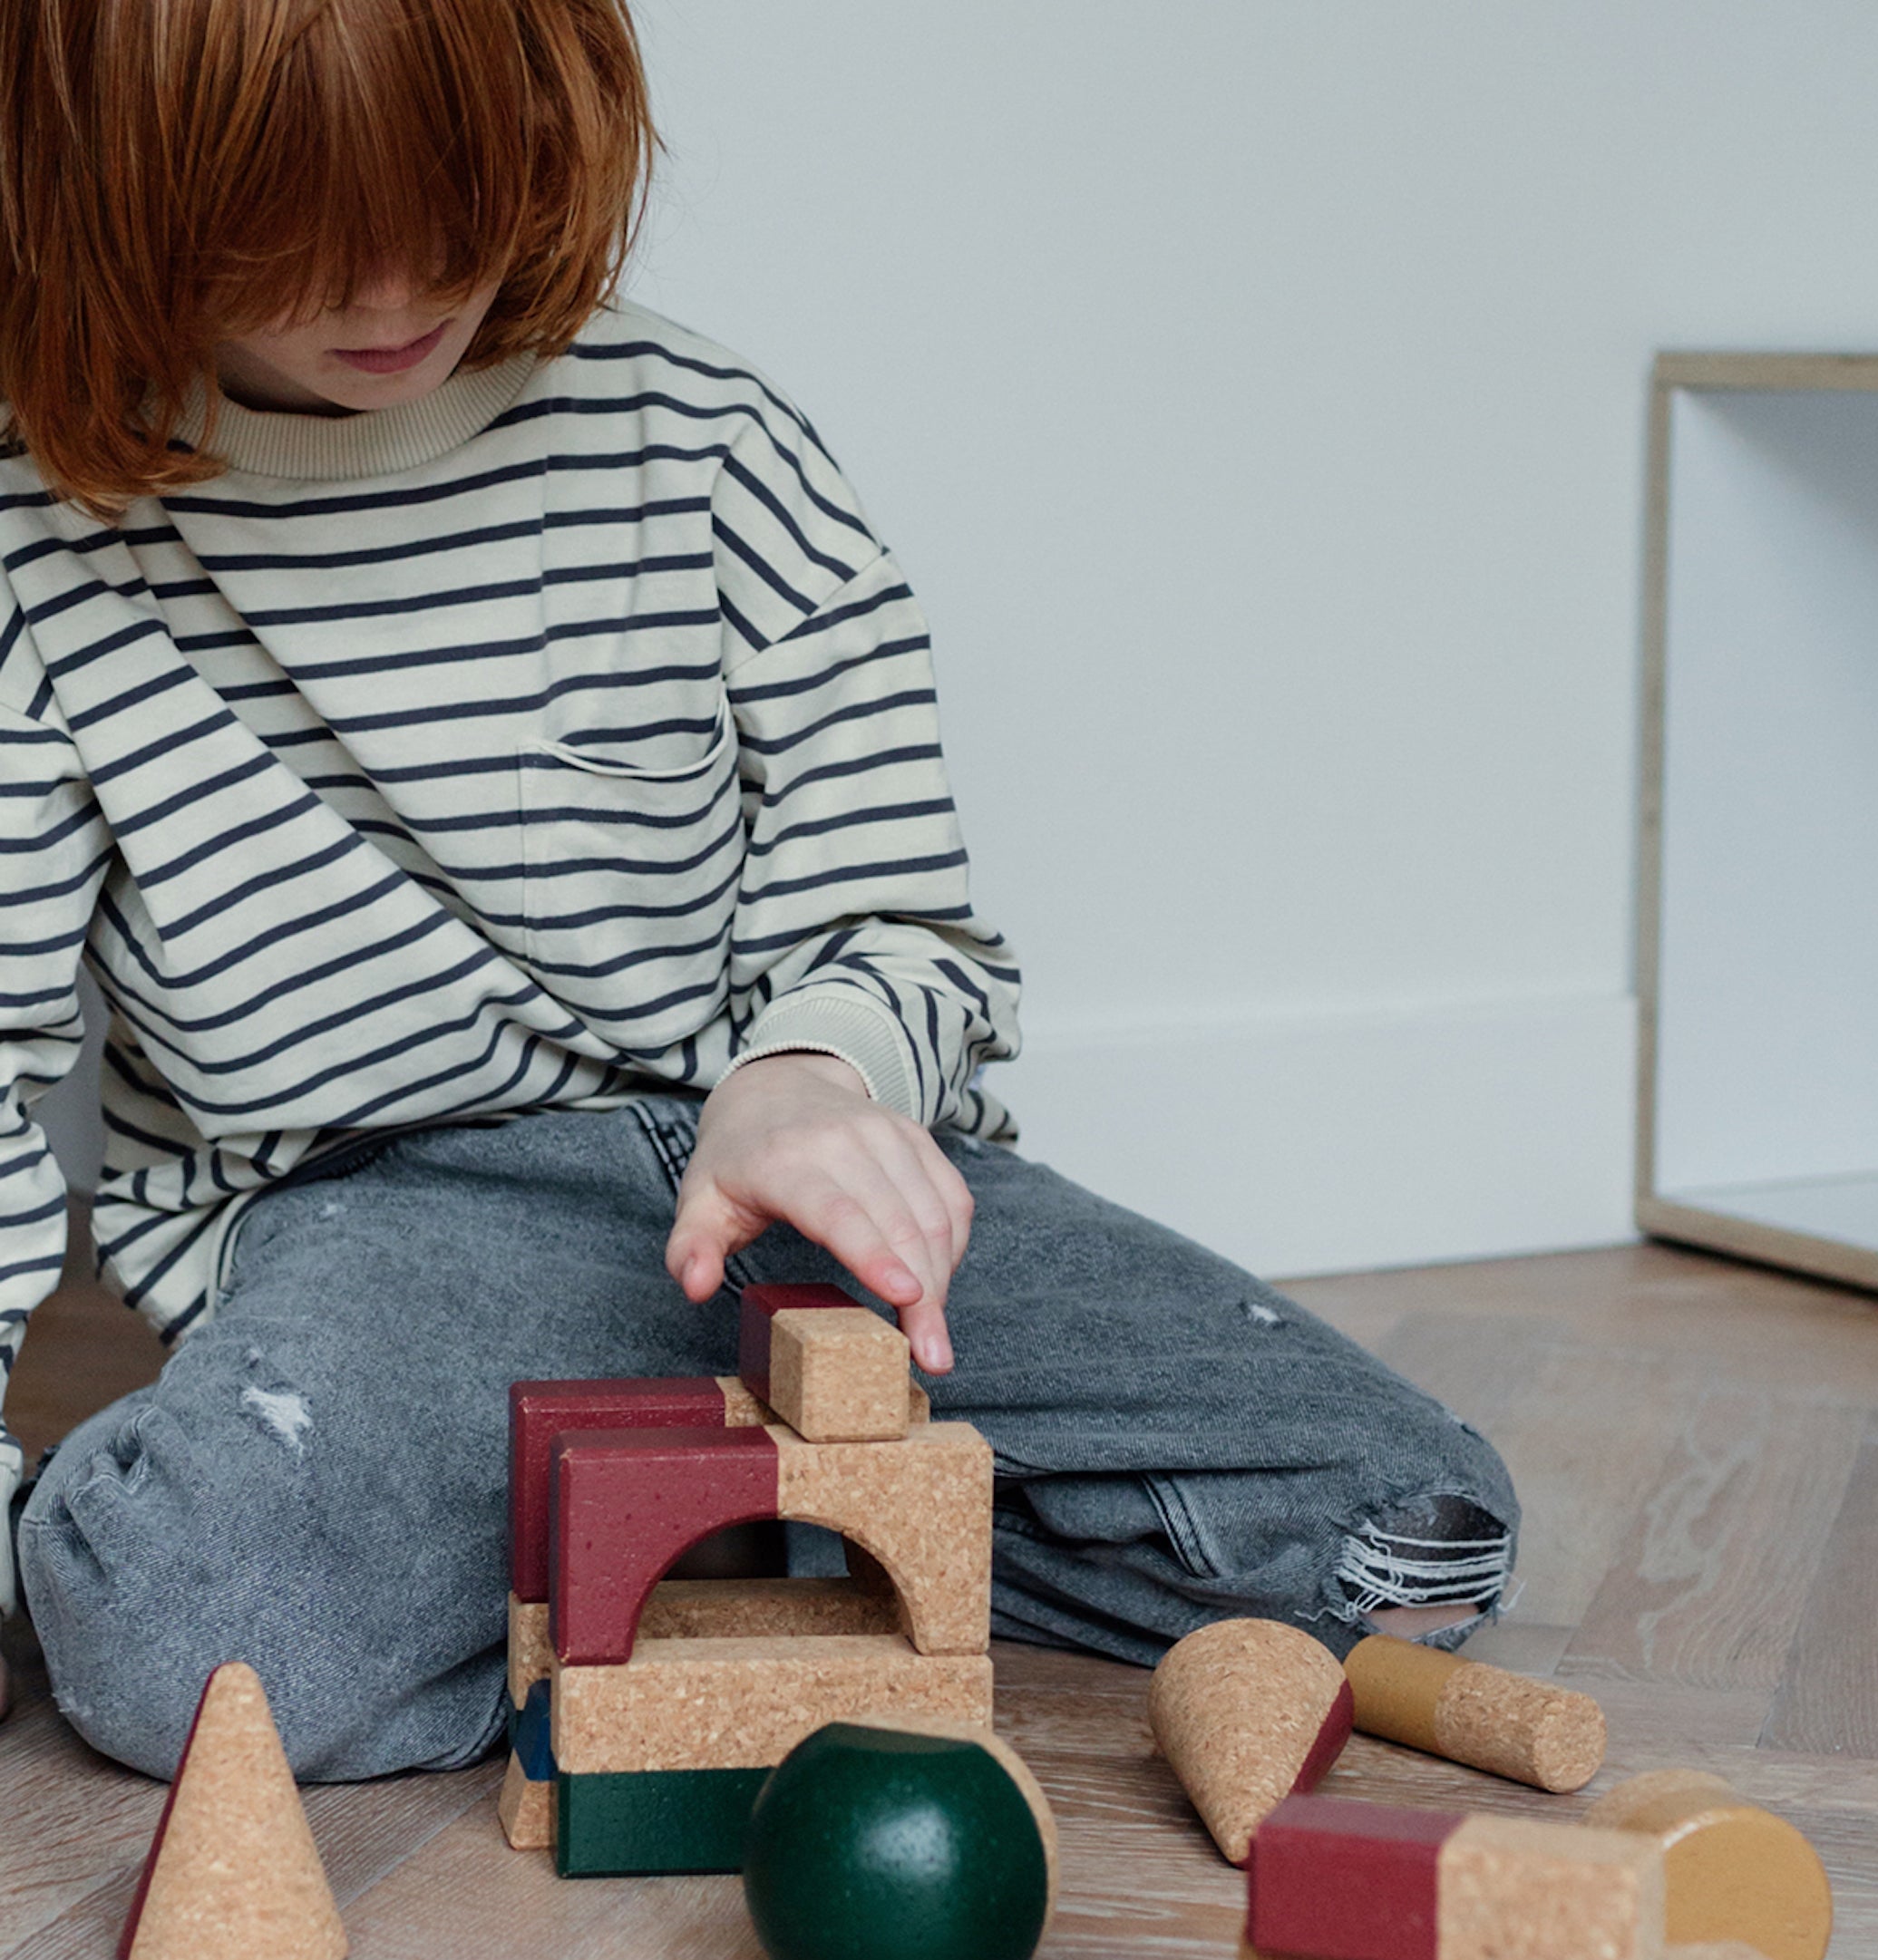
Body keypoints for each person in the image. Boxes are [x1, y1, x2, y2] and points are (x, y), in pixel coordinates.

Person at [0, 0, 1517, 1779]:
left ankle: (706, 1534)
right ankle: (694, 1544)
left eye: (462, 198)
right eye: (297, 236)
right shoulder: (48, 542)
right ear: (103, 190)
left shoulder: (714, 446)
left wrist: (806, 1090)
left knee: (1411, 1532)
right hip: (393, 1222)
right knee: (174, 1634)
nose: (401, 282)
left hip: (779, 1168)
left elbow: (907, 929)